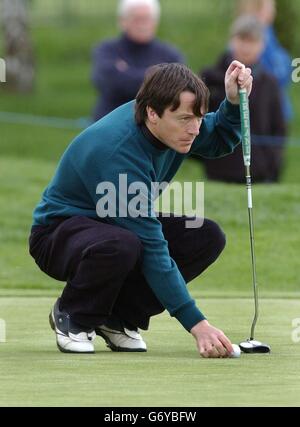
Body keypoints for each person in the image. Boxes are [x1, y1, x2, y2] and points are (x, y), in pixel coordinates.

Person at [29, 61, 253, 358]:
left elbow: (219, 139)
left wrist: (234, 103)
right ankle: (73, 315)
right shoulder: (117, 151)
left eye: (198, 117)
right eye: (185, 118)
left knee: (205, 235)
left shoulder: (171, 125)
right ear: (152, 113)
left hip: (115, 226)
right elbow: (151, 246)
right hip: (58, 234)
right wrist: (197, 324)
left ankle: (118, 318)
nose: (194, 128)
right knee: (124, 244)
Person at [200, 15, 286, 183]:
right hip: (218, 169)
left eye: (252, 41)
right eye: (242, 40)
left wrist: (271, 164)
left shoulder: (270, 83)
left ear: (262, 45)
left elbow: (278, 128)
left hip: (258, 171)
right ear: (232, 41)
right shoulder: (209, 77)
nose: (246, 47)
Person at [91, 0, 184, 121]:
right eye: (136, 19)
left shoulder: (170, 54)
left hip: (155, 126)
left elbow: (177, 89)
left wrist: (127, 72)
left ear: (155, 22)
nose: (142, 25)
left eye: (147, 19)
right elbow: (110, 82)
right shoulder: (106, 50)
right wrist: (159, 77)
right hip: (111, 122)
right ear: (122, 21)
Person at [237, 0, 293, 122]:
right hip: (260, 107)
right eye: (271, 7)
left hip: (274, 105)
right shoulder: (257, 37)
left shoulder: (268, 33)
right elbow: (279, 71)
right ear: (259, 9)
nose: (274, 11)